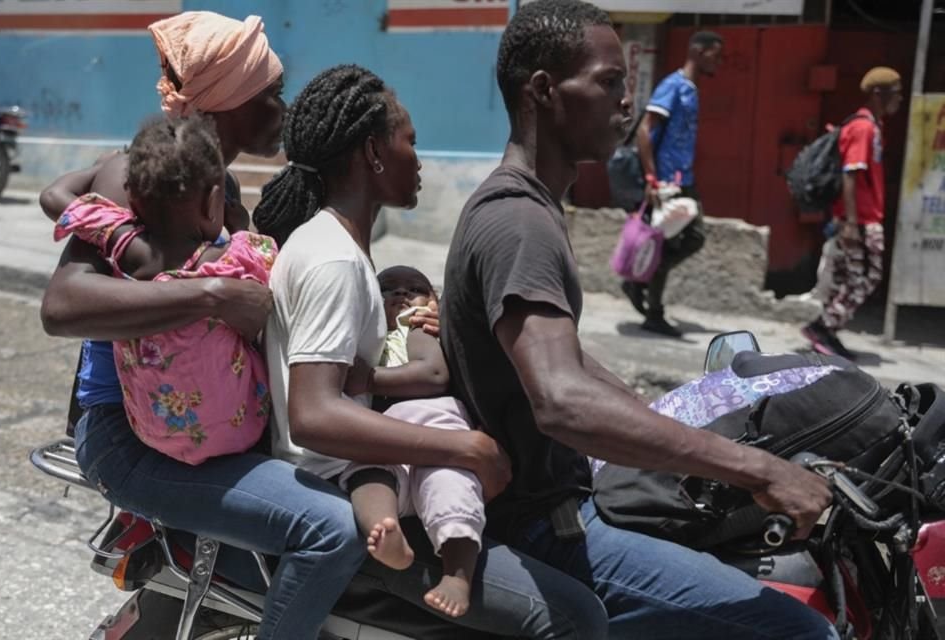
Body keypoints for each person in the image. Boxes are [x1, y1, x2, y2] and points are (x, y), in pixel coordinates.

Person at [440, 2, 838, 638]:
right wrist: (761, 470)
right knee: (801, 630)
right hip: (548, 529)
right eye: (608, 83)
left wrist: (663, 417)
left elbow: (560, 361)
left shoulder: (518, 205)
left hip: (552, 505)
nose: (626, 104)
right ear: (543, 90)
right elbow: (561, 401)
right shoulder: (520, 220)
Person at [39, 13, 369, 639]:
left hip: (208, 427)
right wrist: (212, 295)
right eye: (271, 94)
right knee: (329, 529)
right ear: (227, 106)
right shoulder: (136, 176)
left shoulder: (231, 202)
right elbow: (63, 304)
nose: (282, 107)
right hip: (127, 439)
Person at [253, 63, 608, 639]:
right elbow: (314, 415)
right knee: (575, 616)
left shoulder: (334, 247)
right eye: (409, 141)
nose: (418, 158)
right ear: (373, 152)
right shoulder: (335, 260)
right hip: (352, 496)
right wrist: (465, 446)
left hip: (370, 477)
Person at [47, 115, 276, 465]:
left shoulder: (124, 248)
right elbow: (270, 272)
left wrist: (103, 168)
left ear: (133, 203)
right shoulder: (238, 257)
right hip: (241, 429)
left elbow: (54, 195)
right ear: (214, 199)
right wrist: (241, 224)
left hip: (151, 433)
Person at [339, 264, 485, 618]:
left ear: (433, 302)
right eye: (388, 289)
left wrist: (369, 379)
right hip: (388, 436)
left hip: (433, 427)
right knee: (367, 474)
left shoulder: (416, 328)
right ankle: (386, 530)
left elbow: (433, 375)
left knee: (451, 486)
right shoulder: (371, 336)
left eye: (415, 288)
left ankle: (457, 574)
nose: (402, 295)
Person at [621, 30, 723, 338]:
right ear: (699, 51)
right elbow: (644, 130)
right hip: (666, 182)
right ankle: (650, 304)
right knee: (682, 239)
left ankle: (641, 284)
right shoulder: (673, 86)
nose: (718, 62)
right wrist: (653, 178)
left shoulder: (690, 89)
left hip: (683, 180)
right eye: (715, 54)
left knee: (687, 239)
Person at [802, 67, 903, 360]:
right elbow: (851, 175)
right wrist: (850, 221)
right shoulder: (863, 129)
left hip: (860, 217)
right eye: (895, 93)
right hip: (860, 219)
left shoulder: (873, 125)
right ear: (877, 94)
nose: (899, 100)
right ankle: (822, 327)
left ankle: (827, 331)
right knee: (867, 277)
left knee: (850, 277)